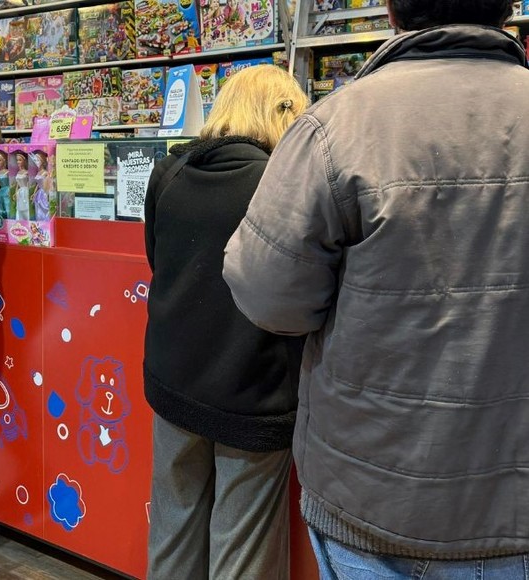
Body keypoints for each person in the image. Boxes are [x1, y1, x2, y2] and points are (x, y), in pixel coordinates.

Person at [222, 2, 529, 578]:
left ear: (391, 9)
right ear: (508, 6)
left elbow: (267, 295)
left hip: (371, 495)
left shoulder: (336, 127)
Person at [144, 64, 308, 580]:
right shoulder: (281, 184)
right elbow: (300, 292)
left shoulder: (168, 172)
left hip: (173, 382)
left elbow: (156, 258)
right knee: (244, 549)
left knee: (172, 528)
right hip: (253, 393)